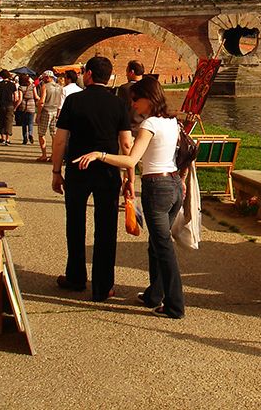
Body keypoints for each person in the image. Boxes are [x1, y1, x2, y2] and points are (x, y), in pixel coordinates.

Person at [74, 78, 186, 319]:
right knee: (156, 244)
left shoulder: (150, 124)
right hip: (174, 185)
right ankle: (154, 295)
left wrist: (99, 155)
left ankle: (175, 304)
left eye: (136, 99)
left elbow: (130, 160)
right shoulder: (172, 122)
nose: (133, 104)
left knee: (163, 246)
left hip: (157, 187)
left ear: (149, 98)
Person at [51, 56, 132, 302]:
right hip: (108, 171)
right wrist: (129, 178)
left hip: (78, 169)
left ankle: (75, 277)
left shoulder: (74, 101)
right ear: (107, 77)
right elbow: (126, 143)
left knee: (75, 223)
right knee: (106, 228)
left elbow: (60, 139)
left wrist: (56, 171)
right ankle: (103, 286)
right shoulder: (119, 103)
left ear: (88, 75)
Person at [35, 70, 63, 161]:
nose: (42, 79)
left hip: (46, 111)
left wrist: (38, 114)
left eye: (43, 77)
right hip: (56, 111)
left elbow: (42, 101)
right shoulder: (60, 87)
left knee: (41, 133)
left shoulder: (45, 87)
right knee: (54, 134)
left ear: (47, 77)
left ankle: (44, 155)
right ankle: (53, 155)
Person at [117, 59, 145, 137]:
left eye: (127, 71)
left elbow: (121, 111)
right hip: (145, 128)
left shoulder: (124, 88)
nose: (126, 75)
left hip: (130, 130)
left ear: (131, 72)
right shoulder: (149, 87)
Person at [0, 70, 19, 145]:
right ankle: (8, 138)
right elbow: (16, 97)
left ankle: (2, 138)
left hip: (1, 105)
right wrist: (15, 105)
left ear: (1, 76)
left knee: (1, 120)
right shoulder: (12, 85)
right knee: (9, 121)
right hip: (10, 105)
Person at [16, 74, 37, 145]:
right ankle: (30, 133)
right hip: (31, 105)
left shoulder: (20, 87)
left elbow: (20, 99)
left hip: (23, 106)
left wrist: (16, 107)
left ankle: (25, 138)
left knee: (24, 124)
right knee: (30, 122)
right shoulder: (32, 86)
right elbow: (36, 96)